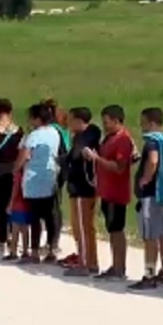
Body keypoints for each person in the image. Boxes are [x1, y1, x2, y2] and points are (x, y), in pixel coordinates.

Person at [129, 108, 163, 290]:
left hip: (151, 194)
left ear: (151, 123)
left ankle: (149, 274)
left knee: (149, 236)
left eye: (143, 122)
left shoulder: (152, 142)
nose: (141, 126)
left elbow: (152, 161)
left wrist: (146, 178)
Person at [85, 105, 134, 280]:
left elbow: (120, 167)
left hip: (117, 192)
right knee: (111, 229)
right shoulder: (110, 138)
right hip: (107, 190)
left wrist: (97, 159)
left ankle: (120, 268)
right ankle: (115, 265)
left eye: (107, 122)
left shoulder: (123, 140)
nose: (105, 126)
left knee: (117, 230)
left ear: (116, 121)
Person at [18, 102, 61, 263]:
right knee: (50, 215)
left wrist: (15, 168)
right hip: (50, 177)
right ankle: (51, 249)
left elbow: (24, 155)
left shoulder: (34, 135)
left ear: (37, 119)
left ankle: (34, 252)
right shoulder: (54, 132)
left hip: (34, 179)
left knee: (34, 217)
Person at [63, 107, 102, 277]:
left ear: (79, 121)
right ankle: (91, 262)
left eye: (71, 120)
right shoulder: (92, 134)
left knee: (81, 227)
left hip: (81, 188)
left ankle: (84, 264)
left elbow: (76, 155)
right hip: (88, 187)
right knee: (88, 227)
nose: (68, 123)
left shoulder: (83, 138)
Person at [0, 99, 22, 252]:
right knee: (14, 204)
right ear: (10, 111)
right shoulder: (18, 130)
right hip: (14, 169)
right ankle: (15, 237)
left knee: (0, 205)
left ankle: (2, 239)